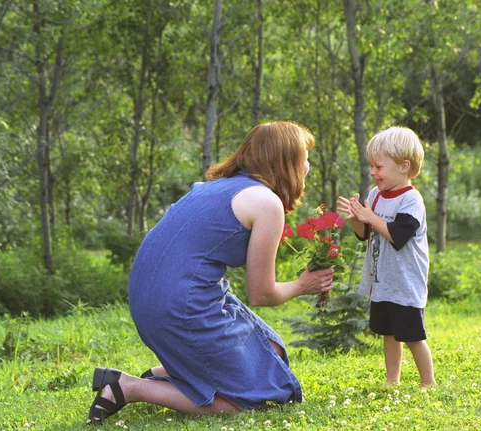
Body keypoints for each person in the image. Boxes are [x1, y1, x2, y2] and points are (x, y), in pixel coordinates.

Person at [88, 121, 334, 423]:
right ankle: (129, 386)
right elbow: (261, 293)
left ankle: (167, 373)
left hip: (150, 297)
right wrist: (302, 284)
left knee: (272, 351)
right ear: (288, 162)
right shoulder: (268, 204)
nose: (308, 165)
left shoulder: (215, 187)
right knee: (247, 399)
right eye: (304, 157)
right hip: (180, 304)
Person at [337, 126, 435, 388]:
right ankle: (392, 380)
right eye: (371, 166)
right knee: (389, 333)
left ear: (404, 167)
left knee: (413, 335)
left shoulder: (411, 200)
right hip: (382, 282)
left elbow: (397, 235)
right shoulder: (375, 196)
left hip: (405, 283)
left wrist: (370, 216)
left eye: (378, 167)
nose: (372, 172)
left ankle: (428, 382)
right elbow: (366, 234)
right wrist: (358, 219)